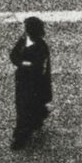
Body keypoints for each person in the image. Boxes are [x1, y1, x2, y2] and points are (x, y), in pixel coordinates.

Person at [9, 15, 52, 151]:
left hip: (33, 82)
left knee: (25, 107)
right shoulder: (24, 40)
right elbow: (14, 55)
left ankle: (21, 136)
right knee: (26, 105)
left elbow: (39, 66)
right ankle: (36, 119)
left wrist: (24, 64)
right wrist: (23, 63)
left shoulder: (40, 46)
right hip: (24, 80)